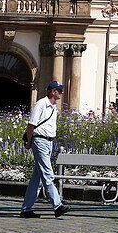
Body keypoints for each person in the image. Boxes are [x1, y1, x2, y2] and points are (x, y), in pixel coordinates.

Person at [20, 81, 70, 219]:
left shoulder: (54, 107)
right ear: (53, 92)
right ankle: (57, 206)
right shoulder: (41, 104)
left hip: (48, 142)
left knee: (37, 179)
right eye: (59, 90)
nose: (61, 92)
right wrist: (29, 142)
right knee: (47, 174)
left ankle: (26, 209)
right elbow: (31, 125)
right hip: (40, 141)